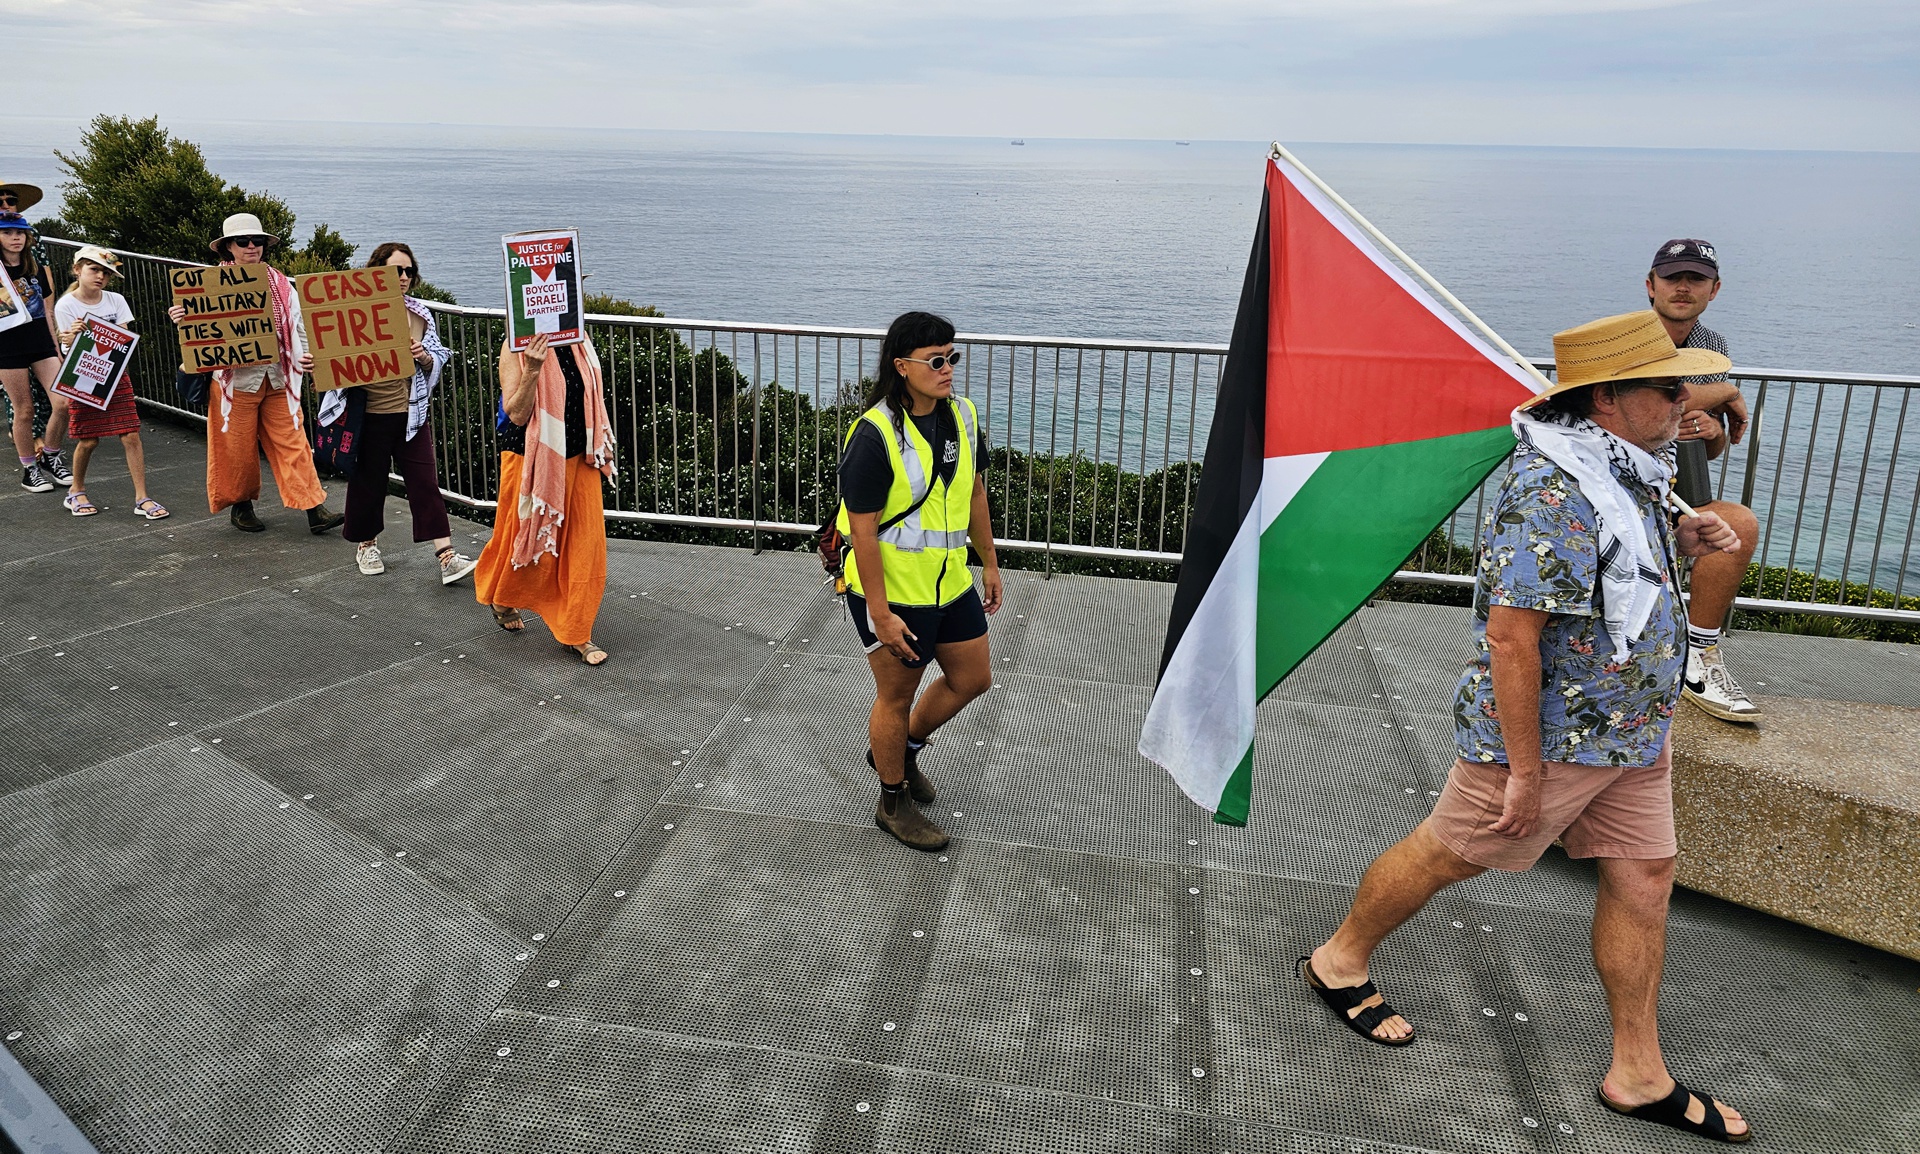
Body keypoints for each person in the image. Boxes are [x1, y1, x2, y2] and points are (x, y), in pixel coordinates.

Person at [1302, 311, 1752, 1145]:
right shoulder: (1552, 491)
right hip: (1553, 739)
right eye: (1668, 386)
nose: (1687, 401)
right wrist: (1525, 772)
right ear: (1609, 398)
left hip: (1627, 729)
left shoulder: (1626, 470)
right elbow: (1513, 637)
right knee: (1449, 854)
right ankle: (1339, 959)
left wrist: (1687, 535)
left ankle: (1638, 1072)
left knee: (1645, 876)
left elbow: (1623, 570)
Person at [835, 311, 1002, 852]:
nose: (948, 368)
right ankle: (892, 801)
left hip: (950, 582)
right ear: (902, 366)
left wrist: (991, 562)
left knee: (973, 678)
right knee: (895, 695)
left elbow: (975, 493)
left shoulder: (964, 416)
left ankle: (903, 750)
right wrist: (880, 614)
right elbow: (861, 530)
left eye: (953, 357)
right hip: (892, 592)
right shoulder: (874, 434)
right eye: (936, 360)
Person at [166, 213, 344, 534]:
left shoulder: (280, 282)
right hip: (234, 382)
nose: (252, 247)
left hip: (279, 378)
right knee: (235, 447)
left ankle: (314, 507)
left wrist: (307, 359)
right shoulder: (207, 286)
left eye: (258, 241)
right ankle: (241, 507)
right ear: (228, 248)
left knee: (294, 440)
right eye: (243, 242)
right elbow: (199, 332)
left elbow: (298, 327)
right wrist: (182, 317)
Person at [1645, 239, 1762, 723]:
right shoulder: (1626, 339)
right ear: (1650, 286)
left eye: (1695, 279)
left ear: (1714, 290)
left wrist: (1713, 428)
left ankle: (1700, 658)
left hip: (1677, 491)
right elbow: (1650, 403)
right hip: (1619, 489)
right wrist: (1728, 389)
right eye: (1673, 277)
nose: (1683, 287)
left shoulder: (1712, 347)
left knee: (1738, 526)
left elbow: (1708, 441)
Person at [317, 242, 476, 584]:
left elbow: (435, 359)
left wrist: (424, 357)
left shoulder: (419, 314)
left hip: (411, 414)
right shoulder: (352, 310)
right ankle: (367, 545)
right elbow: (327, 350)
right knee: (368, 483)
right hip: (370, 415)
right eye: (395, 270)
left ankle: (446, 556)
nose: (403, 277)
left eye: (408, 271)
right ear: (377, 272)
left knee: (425, 483)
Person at [473, 331, 616, 663]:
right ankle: (502, 596)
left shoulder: (579, 339)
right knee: (517, 537)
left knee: (585, 544)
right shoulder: (516, 345)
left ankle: (576, 632)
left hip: (581, 454)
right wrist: (534, 368)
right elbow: (517, 414)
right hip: (530, 457)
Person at [53, 246, 166, 519]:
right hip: (82, 377)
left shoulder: (115, 300)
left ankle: (142, 497)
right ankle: (76, 491)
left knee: (131, 434)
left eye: (106, 272)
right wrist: (69, 338)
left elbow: (123, 338)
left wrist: (83, 336)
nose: (100, 276)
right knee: (88, 439)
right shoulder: (66, 304)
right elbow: (68, 347)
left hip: (116, 375)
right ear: (77, 270)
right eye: (94, 269)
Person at [1, 205, 73, 493]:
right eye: (8, 233)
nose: (15, 238)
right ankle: (29, 468)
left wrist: (56, 347)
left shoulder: (34, 268)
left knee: (64, 402)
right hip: (7, 346)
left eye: (20, 233)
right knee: (25, 411)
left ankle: (52, 456)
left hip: (40, 342)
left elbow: (47, 308)